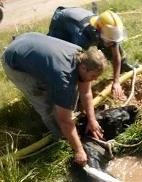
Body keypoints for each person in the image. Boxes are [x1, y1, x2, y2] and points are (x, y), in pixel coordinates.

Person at [1, 32, 107, 166]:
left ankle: (66, 126)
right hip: (13, 60)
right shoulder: (64, 78)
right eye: (93, 76)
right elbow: (65, 121)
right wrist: (79, 150)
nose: (95, 80)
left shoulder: (80, 56)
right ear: (83, 68)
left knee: (61, 98)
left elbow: (85, 92)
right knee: (44, 102)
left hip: (27, 39)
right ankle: (60, 137)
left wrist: (92, 120)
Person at [48, 7, 135, 100]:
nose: (112, 43)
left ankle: (125, 68)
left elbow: (116, 55)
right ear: (98, 32)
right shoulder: (82, 37)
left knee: (111, 47)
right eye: (110, 40)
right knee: (63, 58)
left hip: (81, 21)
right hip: (62, 23)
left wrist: (116, 81)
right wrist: (84, 90)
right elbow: (79, 64)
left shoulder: (107, 30)